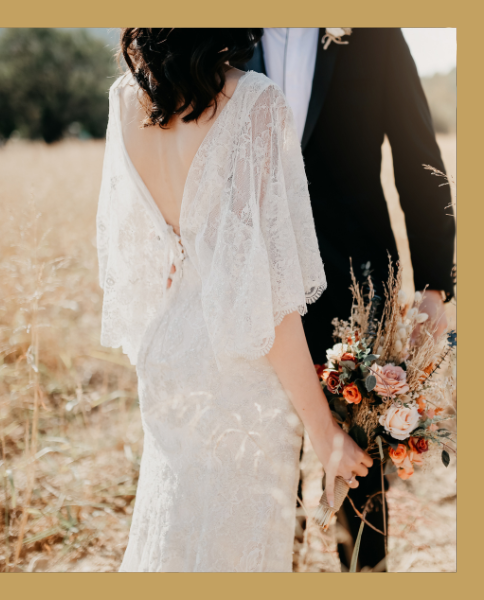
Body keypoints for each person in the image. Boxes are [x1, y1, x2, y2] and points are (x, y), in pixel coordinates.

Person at [96, 28, 372, 572]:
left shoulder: (127, 98)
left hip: (168, 351)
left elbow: (139, 255)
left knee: (171, 529)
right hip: (238, 372)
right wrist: (324, 432)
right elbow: (267, 298)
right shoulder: (254, 101)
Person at [232, 28, 456, 571]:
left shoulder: (374, 29)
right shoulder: (221, 33)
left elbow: (418, 153)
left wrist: (433, 285)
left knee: (361, 472)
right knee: (260, 461)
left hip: (356, 285)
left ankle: (366, 574)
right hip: (249, 286)